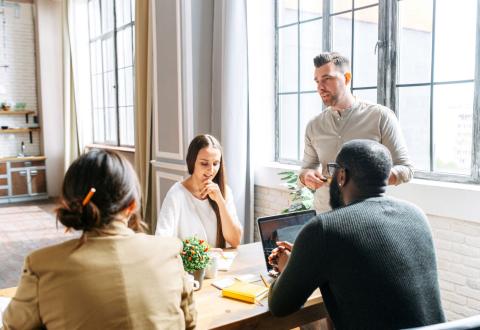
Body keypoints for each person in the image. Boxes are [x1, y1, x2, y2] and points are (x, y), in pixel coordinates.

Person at [3, 149, 196, 330]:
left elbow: (13, 326)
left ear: (71, 203)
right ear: (131, 206)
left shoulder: (42, 266)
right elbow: (189, 321)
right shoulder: (168, 252)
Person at [268, 140, 445, 330]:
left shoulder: (325, 228)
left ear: (342, 176)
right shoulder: (416, 215)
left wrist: (287, 266)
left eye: (335, 170)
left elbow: (280, 307)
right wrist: (304, 257)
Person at [299, 51, 414, 212]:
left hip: (367, 219)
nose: (320, 87)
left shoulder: (380, 117)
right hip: (325, 219)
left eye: (327, 79)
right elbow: (307, 167)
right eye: (317, 81)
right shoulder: (314, 125)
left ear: (347, 78)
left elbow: (406, 169)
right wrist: (306, 176)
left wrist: (369, 178)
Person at [155, 134, 242, 248]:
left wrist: (220, 202)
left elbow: (235, 241)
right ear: (192, 162)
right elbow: (161, 240)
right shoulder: (176, 194)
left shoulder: (224, 191)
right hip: (188, 264)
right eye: (204, 163)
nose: (211, 170)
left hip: (220, 263)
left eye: (215, 163)